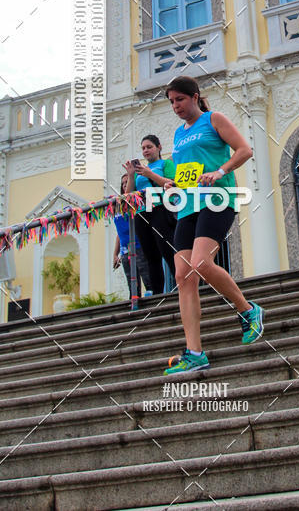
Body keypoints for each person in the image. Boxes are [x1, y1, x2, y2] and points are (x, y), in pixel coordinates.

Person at [162, 75, 264, 375]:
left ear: (195, 96)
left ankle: (248, 311)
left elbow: (245, 150)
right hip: (188, 206)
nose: (175, 106)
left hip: (218, 200)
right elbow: (186, 172)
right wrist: (172, 185)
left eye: (179, 99)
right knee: (182, 275)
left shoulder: (214, 119)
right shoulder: (179, 135)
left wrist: (220, 171)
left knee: (201, 264)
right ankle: (195, 352)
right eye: (171, 102)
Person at [123, 135, 177, 294]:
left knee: (168, 251)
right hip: (142, 213)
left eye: (149, 147)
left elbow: (172, 183)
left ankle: (183, 287)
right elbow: (128, 196)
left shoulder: (165, 163)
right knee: (151, 257)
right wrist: (132, 175)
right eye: (143, 148)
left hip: (160, 209)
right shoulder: (140, 172)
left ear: (159, 147)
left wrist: (150, 174)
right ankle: (158, 293)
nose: (146, 150)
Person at [114, 174, 152, 299]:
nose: (125, 184)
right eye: (123, 183)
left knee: (147, 278)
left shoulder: (137, 203)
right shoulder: (117, 206)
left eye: (127, 181)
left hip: (139, 245)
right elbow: (118, 233)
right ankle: (135, 306)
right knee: (132, 285)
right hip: (125, 249)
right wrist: (115, 254)